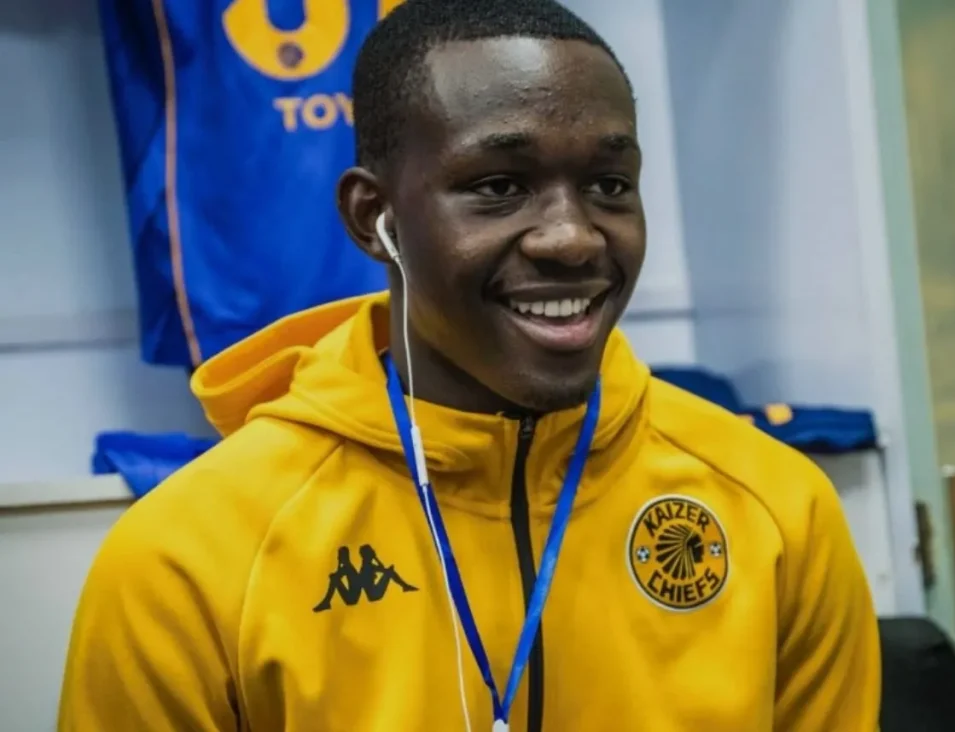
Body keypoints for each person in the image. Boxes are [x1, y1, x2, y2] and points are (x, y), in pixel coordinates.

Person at [59, 1, 881, 730]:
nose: (573, 237)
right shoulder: (189, 558)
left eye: (608, 183)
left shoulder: (775, 508)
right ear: (373, 218)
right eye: (498, 186)